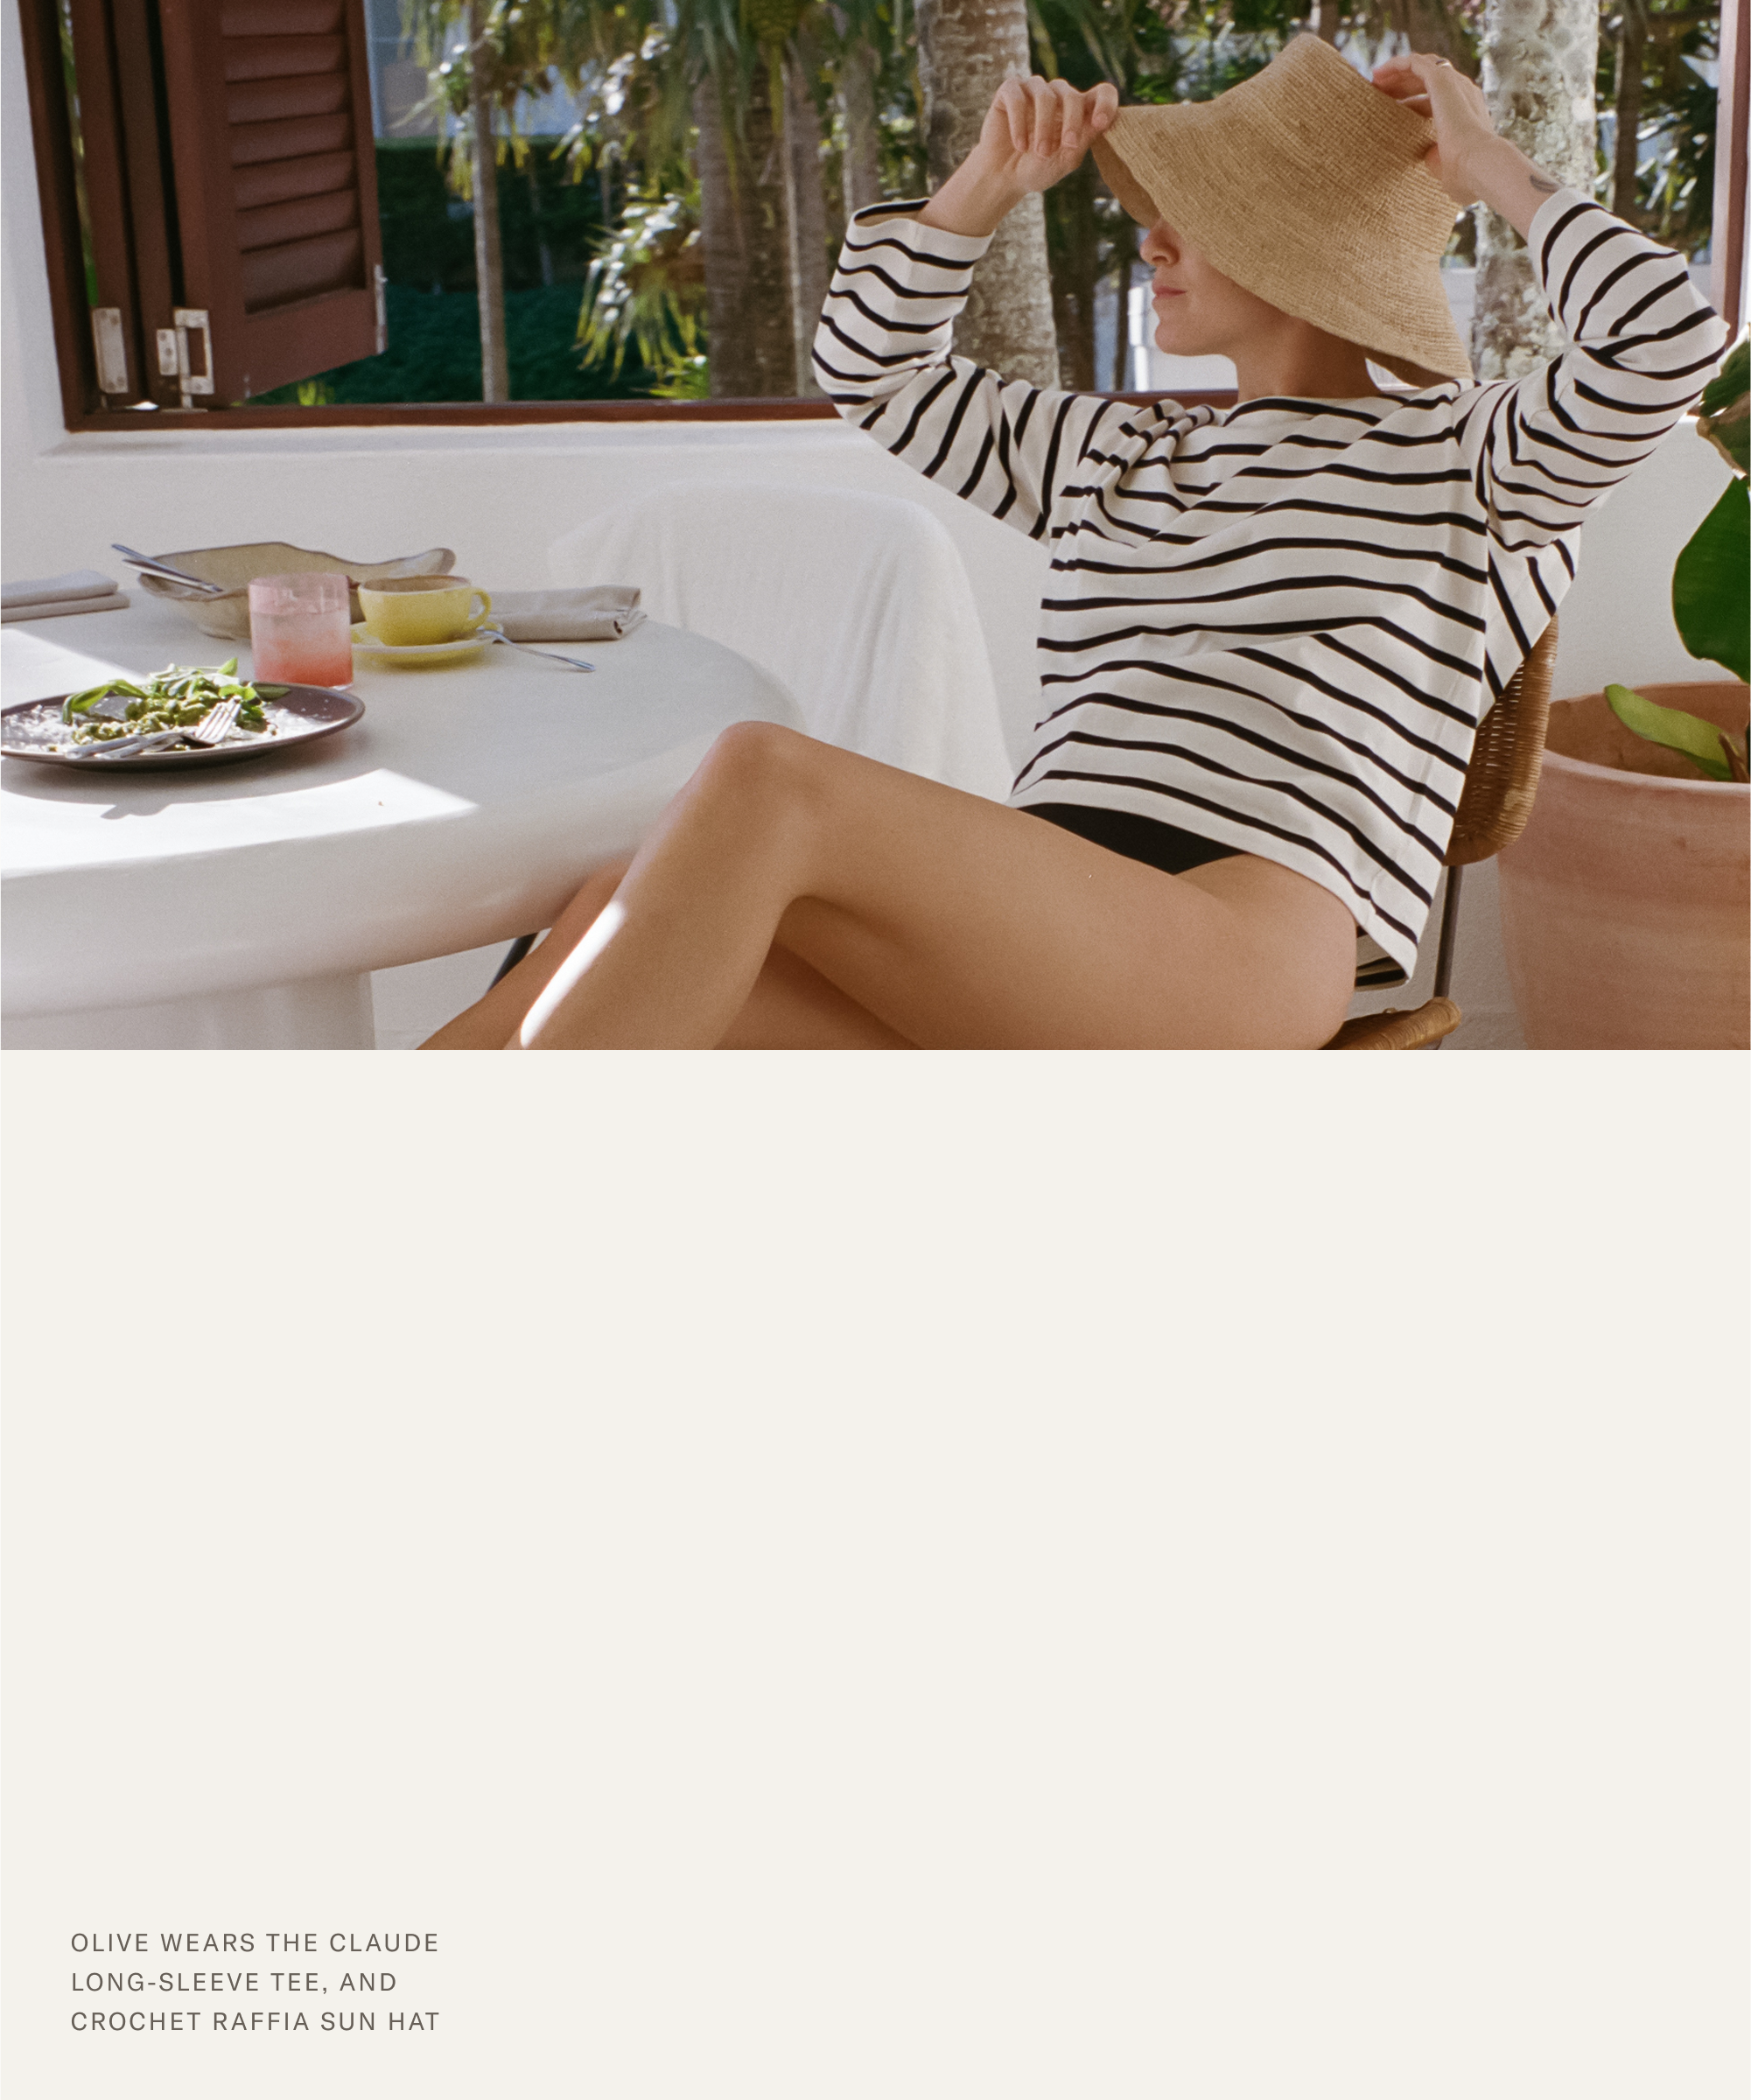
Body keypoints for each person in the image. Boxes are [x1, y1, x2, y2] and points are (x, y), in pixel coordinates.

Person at [426, 38, 1725, 1050]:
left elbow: (1667, 342)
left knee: (764, 781)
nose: (1151, 235)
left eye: (1197, 210)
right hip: (1028, 933)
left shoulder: (1471, 461)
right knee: (604, 912)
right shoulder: (1116, 454)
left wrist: (1486, 162)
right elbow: (874, 373)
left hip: (1237, 940)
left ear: (1307, 245)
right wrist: (988, 182)